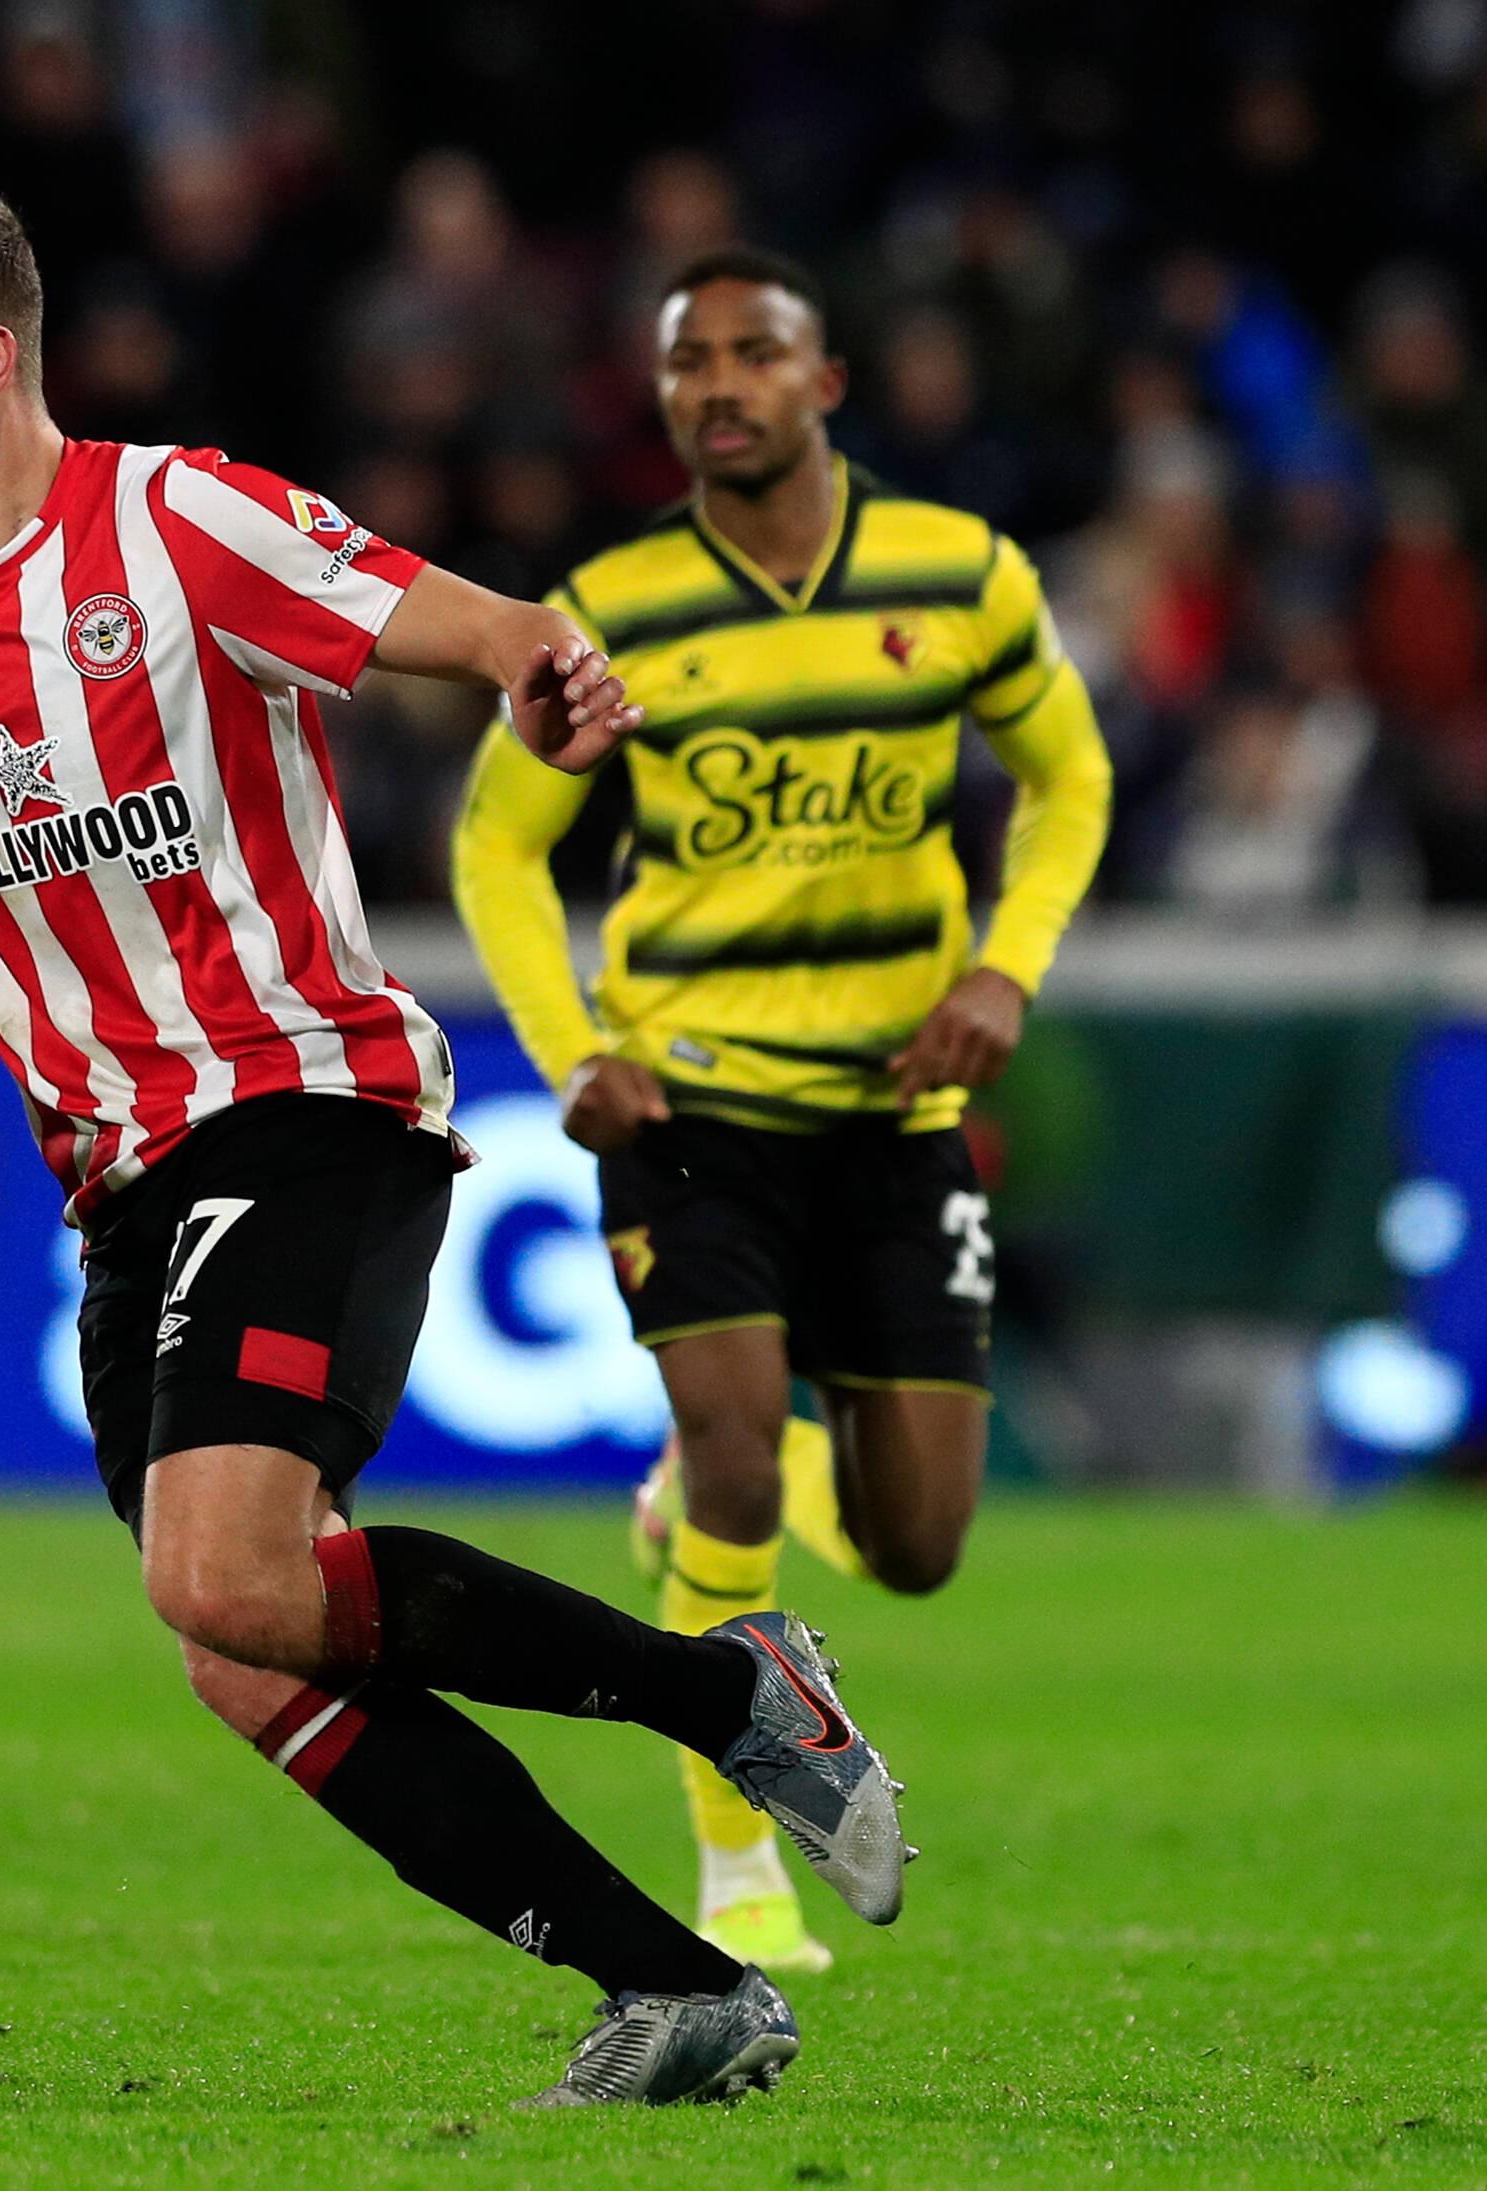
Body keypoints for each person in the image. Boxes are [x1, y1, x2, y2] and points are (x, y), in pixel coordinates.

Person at [0, 188, 912, 2109]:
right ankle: (680, 1984)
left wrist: (540, 667)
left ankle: (735, 1695)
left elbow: (467, 619)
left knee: (229, 1578)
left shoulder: (175, 524)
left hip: (304, 1101)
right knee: (246, 1649)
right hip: (119, 1188)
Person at [452, 247, 1111, 1975]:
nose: (722, 384)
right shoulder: (609, 608)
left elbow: (1070, 778)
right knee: (736, 1431)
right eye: (692, 362)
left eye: (758, 354)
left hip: (895, 1110)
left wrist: (1007, 976)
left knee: (919, 1548)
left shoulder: (957, 575)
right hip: (695, 1101)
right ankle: (737, 1870)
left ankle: (698, 1504)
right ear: (663, 397)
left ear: (827, 384)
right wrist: (569, 1048)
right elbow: (497, 846)